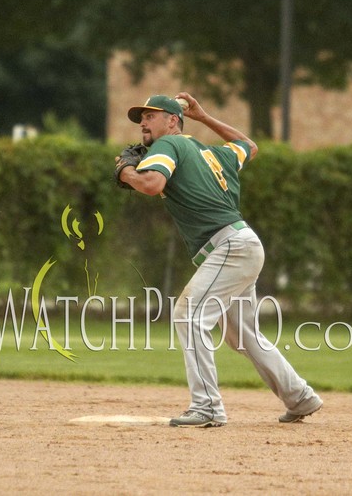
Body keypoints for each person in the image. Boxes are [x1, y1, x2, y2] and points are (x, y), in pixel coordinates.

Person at [116, 93, 322, 427]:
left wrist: (126, 173)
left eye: (150, 115)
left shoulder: (168, 146)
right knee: (243, 336)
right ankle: (300, 397)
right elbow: (249, 146)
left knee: (188, 314)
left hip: (229, 247)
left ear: (172, 121)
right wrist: (205, 117)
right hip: (242, 244)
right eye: (141, 117)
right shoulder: (211, 153)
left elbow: (152, 184)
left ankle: (207, 406)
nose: (142, 122)